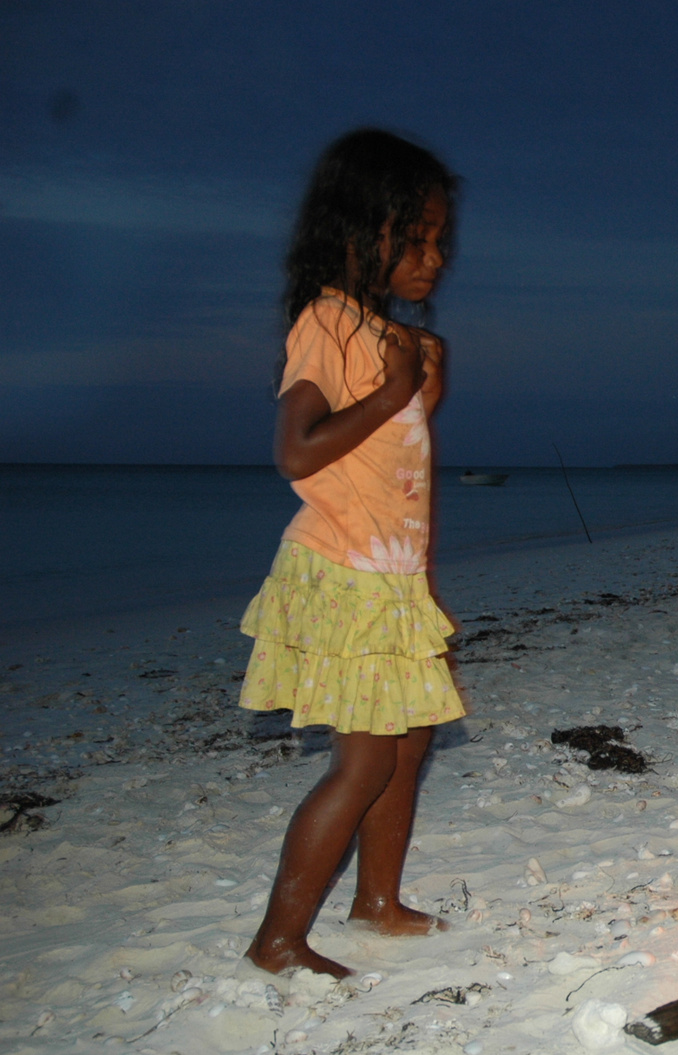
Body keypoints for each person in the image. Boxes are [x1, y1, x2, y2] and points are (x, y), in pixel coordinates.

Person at [238, 129, 464, 978]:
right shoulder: (325, 321)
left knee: (409, 745)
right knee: (366, 756)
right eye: (414, 238)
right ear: (357, 229)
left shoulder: (386, 333)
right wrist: (392, 393)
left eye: (441, 242)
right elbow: (299, 452)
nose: (433, 258)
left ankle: (377, 901)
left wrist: (417, 391)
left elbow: (390, 465)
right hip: (342, 571)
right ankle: (279, 940)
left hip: (393, 576)